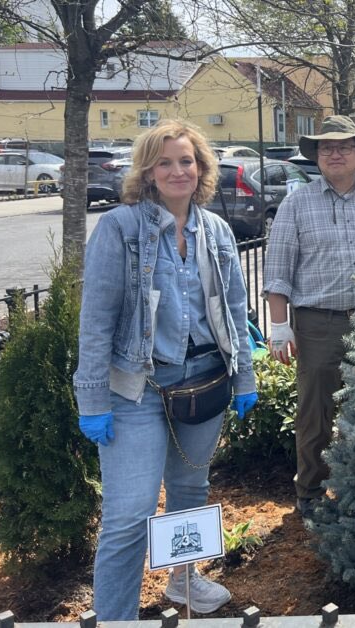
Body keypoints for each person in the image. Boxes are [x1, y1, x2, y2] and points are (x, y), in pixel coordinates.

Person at [74, 119, 258, 620]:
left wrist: (244, 377)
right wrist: (91, 398)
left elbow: (234, 310)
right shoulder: (121, 228)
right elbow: (96, 319)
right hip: (136, 391)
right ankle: (117, 617)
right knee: (129, 515)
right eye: (165, 162)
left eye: (187, 160)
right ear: (148, 172)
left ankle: (183, 582)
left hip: (204, 382)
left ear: (201, 168)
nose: (178, 171)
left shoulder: (214, 230)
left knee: (190, 492)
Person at [263, 115, 355, 528]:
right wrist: (280, 327)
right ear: (317, 157)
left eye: (343, 147)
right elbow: (278, 270)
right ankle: (311, 491)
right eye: (325, 148)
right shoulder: (297, 204)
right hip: (317, 324)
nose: (334, 154)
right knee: (315, 413)